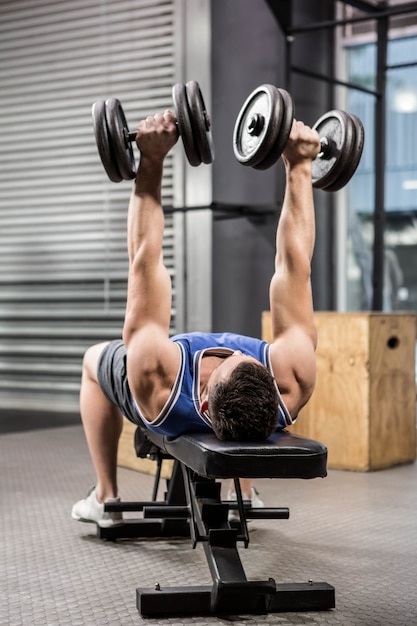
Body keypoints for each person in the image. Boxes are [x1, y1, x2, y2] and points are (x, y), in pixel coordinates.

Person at [71, 110, 320, 528]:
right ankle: (242, 488)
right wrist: (300, 167)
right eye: (250, 362)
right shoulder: (292, 377)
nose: (226, 352)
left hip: (153, 388)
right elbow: (294, 265)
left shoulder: (157, 375)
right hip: (233, 408)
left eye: (219, 365)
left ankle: (105, 497)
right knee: (245, 421)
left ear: (203, 400)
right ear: (273, 388)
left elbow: (144, 260)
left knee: (93, 362)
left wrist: (150, 162)